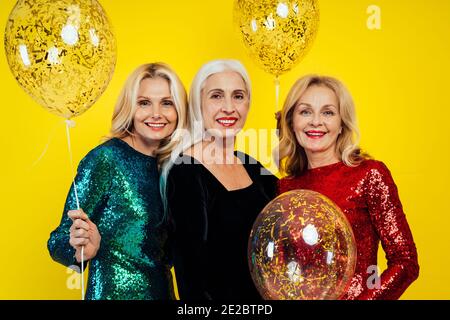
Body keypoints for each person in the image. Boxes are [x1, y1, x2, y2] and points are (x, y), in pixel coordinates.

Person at [47, 63, 188, 300]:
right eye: (144, 103)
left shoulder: (175, 167)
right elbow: (58, 241)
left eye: (167, 102)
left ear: (180, 110)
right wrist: (81, 250)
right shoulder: (106, 159)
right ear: (129, 108)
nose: (156, 113)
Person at [277, 75, 419, 300]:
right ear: (291, 121)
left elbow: (405, 261)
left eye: (328, 112)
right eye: (305, 111)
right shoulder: (284, 190)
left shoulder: (369, 174)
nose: (316, 121)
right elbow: (280, 271)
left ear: (342, 123)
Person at [164, 59, 278, 300]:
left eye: (238, 96)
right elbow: (191, 282)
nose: (229, 107)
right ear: (198, 103)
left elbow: (288, 224)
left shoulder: (252, 167)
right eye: (216, 96)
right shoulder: (185, 172)